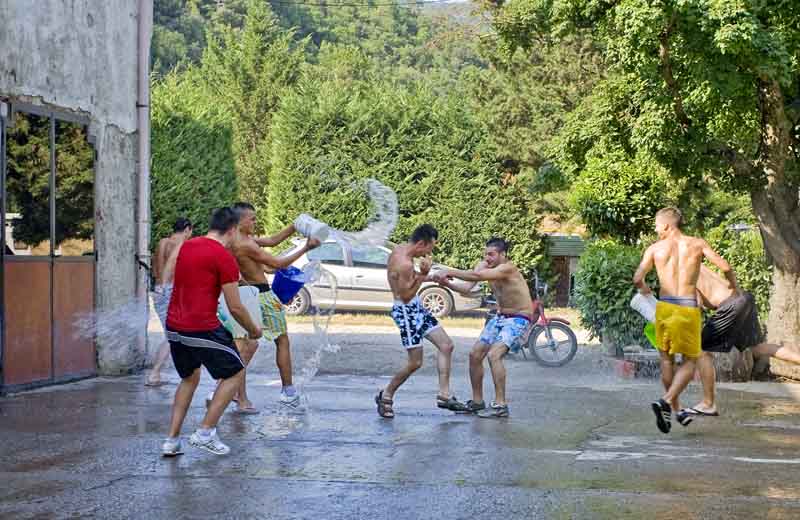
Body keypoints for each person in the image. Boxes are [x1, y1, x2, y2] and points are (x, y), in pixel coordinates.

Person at [161, 207, 262, 457]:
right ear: (232, 230)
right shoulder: (223, 257)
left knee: (189, 378)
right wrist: (254, 329)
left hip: (174, 327)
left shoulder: (188, 245)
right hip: (201, 327)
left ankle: (172, 441)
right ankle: (205, 431)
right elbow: (236, 306)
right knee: (236, 371)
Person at [633, 207, 734, 434]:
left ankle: (674, 409)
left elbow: (637, 279)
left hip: (665, 308)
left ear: (668, 225)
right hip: (687, 308)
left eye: (658, 226)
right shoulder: (697, 244)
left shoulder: (654, 249)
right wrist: (733, 287)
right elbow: (725, 266)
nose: (656, 229)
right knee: (691, 360)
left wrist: (648, 293)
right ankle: (666, 401)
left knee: (667, 361)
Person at [220, 202, 320, 411]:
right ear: (240, 222)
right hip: (263, 296)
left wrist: (294, 226)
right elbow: (278, 264)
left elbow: (273, 241)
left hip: (245, 295)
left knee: (243, 346)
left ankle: (239, 396)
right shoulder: (245, 244)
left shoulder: (237, 241)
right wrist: (306, 247)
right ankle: (287, 392)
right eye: (252, 219)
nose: (255, 222)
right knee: (282, 341)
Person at [435, 237, 533, 418]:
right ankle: (478, 402)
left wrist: (448, 271)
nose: (487, 258)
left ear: (503, 255)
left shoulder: (507, 268)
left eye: (491, 254)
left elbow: (477, 277)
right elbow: (466, 288)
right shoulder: (483, 266)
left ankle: (500, 405)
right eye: (486, 254)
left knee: (494, 355)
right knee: (475, 355)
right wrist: (447, 283)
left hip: (519, 317)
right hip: (500, 316)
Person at [683, 265, 800, 416]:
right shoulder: (696, 263)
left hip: (730, 306)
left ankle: (703, 401)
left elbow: (696, 304)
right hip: (743, 298)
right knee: (758, 348)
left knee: (699, 350)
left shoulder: (683, 272)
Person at [375, 224, 464, 418]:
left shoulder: (399, 249)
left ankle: (444, 394)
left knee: (446, 346)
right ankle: (386, 395)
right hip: (406, 311)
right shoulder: (404, 263)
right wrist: (424, 274)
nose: (428, 254)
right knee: (415, 362)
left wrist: (430, 277)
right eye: (429, 248)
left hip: (415, 307)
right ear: (421, 243)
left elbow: (408, 281)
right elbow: (406, 294)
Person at [146, 218, 192, 386]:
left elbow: (156, 265)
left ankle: (157, 373)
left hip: (158, 291)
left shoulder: (162, 242)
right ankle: (155, 373)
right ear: (187, 229)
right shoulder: (183, 246)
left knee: (172, 334)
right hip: (172, 291)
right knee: (173, 336)